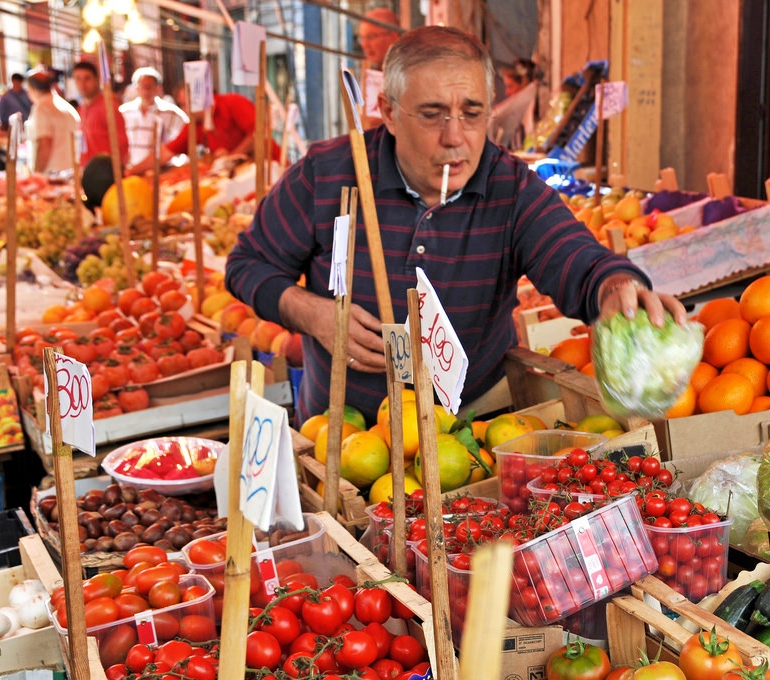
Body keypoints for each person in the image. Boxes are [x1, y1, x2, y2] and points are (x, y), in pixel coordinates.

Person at [225, 26, 685, 427]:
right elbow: (248, 264)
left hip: (471, 438)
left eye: (472, 112)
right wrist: (312, 313)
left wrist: (616, 287)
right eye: (431, 114)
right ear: (387, 111)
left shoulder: (510, 188)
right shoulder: (328, 172)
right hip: (339, 436)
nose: (454, 135)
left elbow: (578, 261)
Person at [125, 91, 279, 175]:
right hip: (237, 179)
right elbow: (166, 152)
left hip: (271, 171)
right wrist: (132, 171)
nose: (184, 110)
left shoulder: (233, 102)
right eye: (182, 105)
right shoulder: (195, 124)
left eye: (186, 104)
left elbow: (259, 133)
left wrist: (231, 158)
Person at [119, 66, 188, 167]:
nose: (146, 91)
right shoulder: (124, 112)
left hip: (164, 169)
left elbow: (184, 141)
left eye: (150, 86)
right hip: (132, 168)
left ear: (158, 88)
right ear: (136, 88)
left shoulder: (173, 113)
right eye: (143, 86)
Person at [71, 60, 128, 167]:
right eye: (78, 78)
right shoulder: (81, 108)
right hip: (86, 172)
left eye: (87, 78)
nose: (82, 84)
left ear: (97, 80)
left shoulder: (109, 107)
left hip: (106, 174)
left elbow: (122, 144)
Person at [25, 70, 80, 174]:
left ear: (31, 89)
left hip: (52, 175)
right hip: (70, 173)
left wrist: (37, 175)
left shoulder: (42, 108)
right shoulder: (66, 106)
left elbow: (44, 143)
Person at [356, 7, 401, 129]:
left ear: (394, 35)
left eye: (371, 36)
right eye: (362, 38)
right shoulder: (370, 75)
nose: (365, 44)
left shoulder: (410, 71)